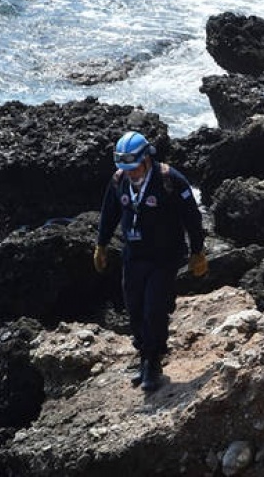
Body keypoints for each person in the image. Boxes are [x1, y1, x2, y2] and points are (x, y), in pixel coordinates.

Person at [93, 131, 207, 392]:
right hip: (134, 256)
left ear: (147, 158)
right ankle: (144, 355)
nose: (131, 173)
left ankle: (154, 362)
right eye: (126, 168)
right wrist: (101, 244)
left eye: (135, 168)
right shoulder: (119, 180)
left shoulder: (170, 180)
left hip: (164, 257)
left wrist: (197, 251)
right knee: (134, 309)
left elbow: (192, 217)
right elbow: (109, 213)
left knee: (154, 309)